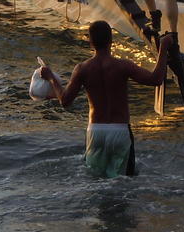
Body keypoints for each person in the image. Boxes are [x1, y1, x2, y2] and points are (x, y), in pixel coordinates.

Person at [41, 20, 172, 178]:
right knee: (123, 183)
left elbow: (65, 101)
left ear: (90, 41)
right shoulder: (122, 66)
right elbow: (155, 79)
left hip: (96, 132)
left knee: (96, 181)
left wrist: (51, 78)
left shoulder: (82, 69)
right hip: (120, 131)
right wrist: (163, 48)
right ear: (111, 41)